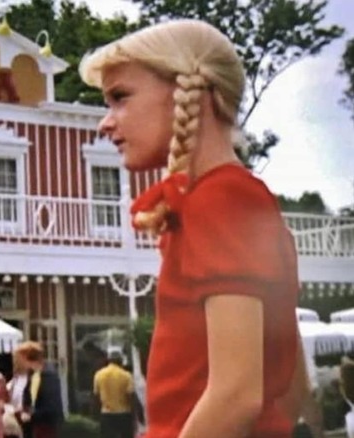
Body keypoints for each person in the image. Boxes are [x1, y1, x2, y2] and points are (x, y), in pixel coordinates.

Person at [79, 19, 311, 438]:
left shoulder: (219, 201)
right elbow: (291, 384)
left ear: (194, 94)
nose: (105, 123)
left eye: (120, 98)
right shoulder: (240, 198)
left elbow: (237, 394)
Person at [16, 342, 64, 438]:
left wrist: (31, 416)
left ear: (26, 358)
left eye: (19, 359)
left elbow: (52, 406)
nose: (18, 362)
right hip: (34, 427)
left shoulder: (49, 377)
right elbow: (31, 401)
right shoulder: (33, 376)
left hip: (47, 427)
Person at [93, 352, 135, 438]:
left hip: (106, 414)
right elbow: (131, 397)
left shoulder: (99, 375)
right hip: (124, 414)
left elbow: (96, 397)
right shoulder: (126, 375)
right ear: (120, 361)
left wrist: (96, 415)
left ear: (108, 361)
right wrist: (134, 415)